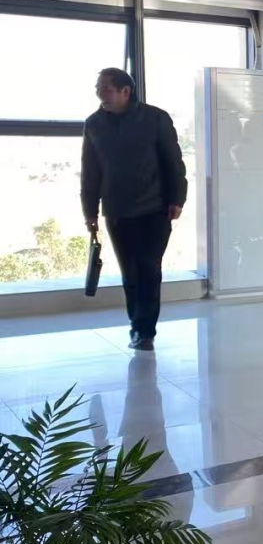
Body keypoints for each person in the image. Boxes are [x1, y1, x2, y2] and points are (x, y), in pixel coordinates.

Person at [80, 67, 187, 353]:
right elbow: (90, 173)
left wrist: (177, 198)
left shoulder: (155, 118)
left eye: (105, 88)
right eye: (98, 88)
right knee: (130, 273)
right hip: (116, 210)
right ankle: (137, 327)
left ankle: (145, 331)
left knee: (149, 268)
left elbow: (174, 162)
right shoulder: (93, 124)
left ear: (125, 91)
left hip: (155, 208)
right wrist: (90, 212)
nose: (100, 93)